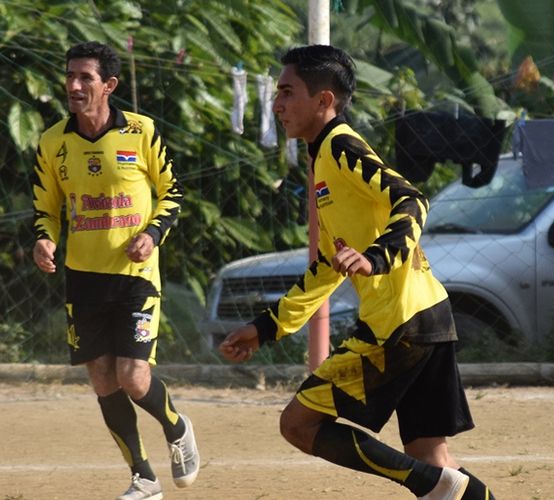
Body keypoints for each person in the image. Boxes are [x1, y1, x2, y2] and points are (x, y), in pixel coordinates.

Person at [219, 45, 496, 500]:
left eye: (288, 92)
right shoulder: (323, 159)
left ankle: (432, 487)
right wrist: (266, 328)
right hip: (428, 314)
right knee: (432, 458)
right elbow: (328, 265)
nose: (277, 104)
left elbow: (412, 200)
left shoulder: (341, 146)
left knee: (299, 424)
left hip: (399, 323)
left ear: (324, 101)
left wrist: (377, 256)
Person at [31, 41, 198, 500]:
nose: (74, 85)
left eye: (86, 77)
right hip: (83, 278)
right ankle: (143, 477)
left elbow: (173, 194)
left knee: (133, 377)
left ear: (110, 85)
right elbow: (45, 208)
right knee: (103, 379)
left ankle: (177, 426)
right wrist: (44, 238)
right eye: (70, 76)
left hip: (136, 278)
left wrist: (153, 234)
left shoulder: (141, 132)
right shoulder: (52, 142)